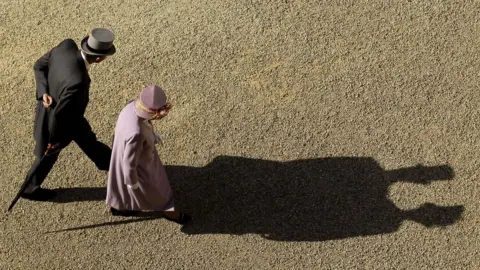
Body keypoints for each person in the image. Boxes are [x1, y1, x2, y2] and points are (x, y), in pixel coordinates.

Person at [22, 28, 116, 201]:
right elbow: (60, 115)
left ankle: (111, 164)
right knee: (49, 153)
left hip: (67, 115)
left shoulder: (66, 46)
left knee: (89, 140)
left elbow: (39, 65)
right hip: (61, 120)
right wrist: (53, 139)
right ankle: (29, 189)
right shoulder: (78, 81)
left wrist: (44, 92)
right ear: (99, 59)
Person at [106, 85, 192, 224]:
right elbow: (129, 164)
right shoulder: (137, 134)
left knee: (119, 184)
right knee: (158, 189)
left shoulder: (131, 107)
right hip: (142, 164)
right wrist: (133, 183)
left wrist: (151, 134)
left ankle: (120, 207)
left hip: (120, 152)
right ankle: (169, 212)